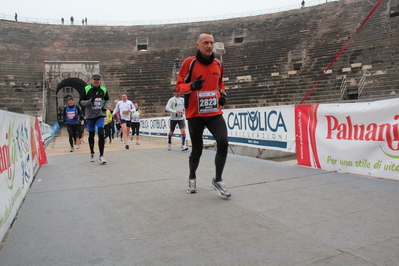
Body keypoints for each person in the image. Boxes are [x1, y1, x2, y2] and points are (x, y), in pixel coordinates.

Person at [176, 32, 230, 198]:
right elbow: (179, 86)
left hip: (214, 113)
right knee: (197, 150)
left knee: (223, 142)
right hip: (195, 114)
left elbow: (220, 84)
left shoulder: (218, 64)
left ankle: (217, 180)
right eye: (205, 42)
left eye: (211, 43)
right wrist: (192, 86)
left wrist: (222, 95)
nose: (209, 46)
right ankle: (192, 177)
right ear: (197, 45)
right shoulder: (189, 63)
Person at [80, 74, 109, 164]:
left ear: (100, 81)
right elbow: (81, 102)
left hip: (100, 114)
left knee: (101, 133)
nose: (96, 81)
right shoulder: (86, 89)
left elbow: (107, 100)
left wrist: (105, 106)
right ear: (91, 80)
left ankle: (101, 155)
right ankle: (92, 152)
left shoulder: (103, 90)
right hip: (90, 116)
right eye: (94, 79)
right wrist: (90, 101)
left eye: (98, 79)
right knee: (91, 134)